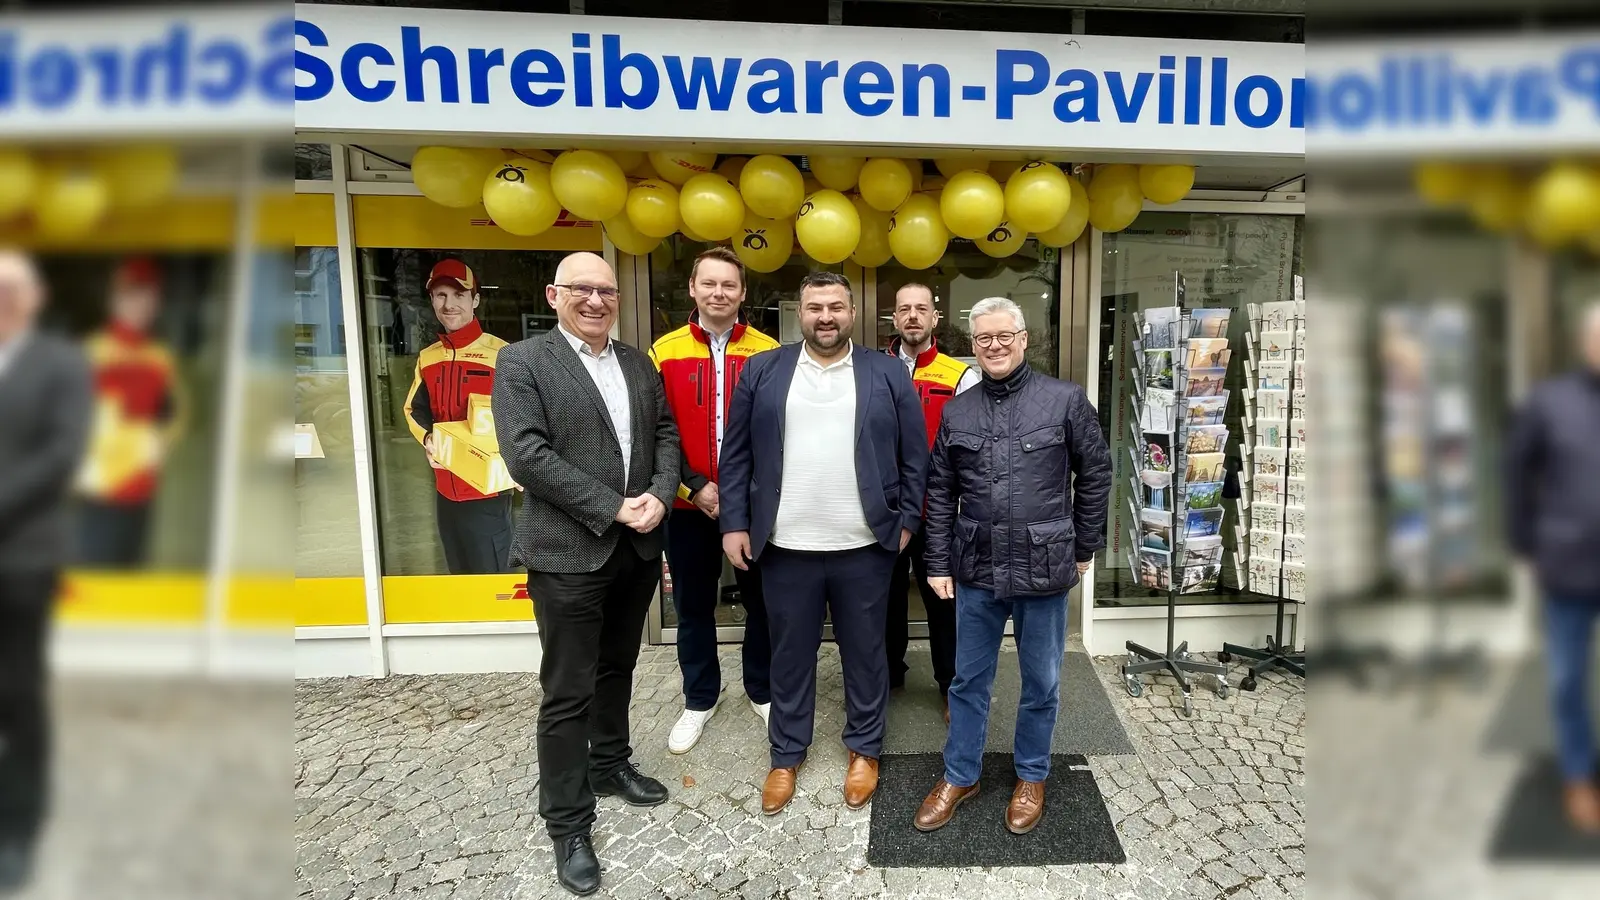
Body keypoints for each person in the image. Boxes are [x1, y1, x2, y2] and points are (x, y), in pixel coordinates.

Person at [491, 252, 680, 896]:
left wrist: (659, 491)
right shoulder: (523, 362)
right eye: (582, 290)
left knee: (617, 667)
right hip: (568, 550)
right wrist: (613, 506)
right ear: (554, 295)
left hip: (634, 549)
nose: (597, 300)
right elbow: (527, 455)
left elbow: (664, 432)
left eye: (605, 290)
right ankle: (568, 822)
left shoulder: (636, 362)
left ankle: (610, 764)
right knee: (567, 690)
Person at [719, 271, 928, 816]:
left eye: (836, 306)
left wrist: (907, 520)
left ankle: (864, 748)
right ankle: (786, 754)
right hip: (786, 545)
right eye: (815, 307)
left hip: (866, 544)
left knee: (867, 652)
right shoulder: (763, 370)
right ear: (801, 313)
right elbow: (736, 455)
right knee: (790, 655)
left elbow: (915, 456)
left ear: (853, 313)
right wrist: (734, 524)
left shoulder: (886, 372)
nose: (826, 317)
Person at [914, 297, 1110, 836]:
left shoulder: (1065, 400)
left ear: (1023, 339)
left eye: (1004, 336)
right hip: (975, 567)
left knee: (1042, 682)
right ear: (972, 346)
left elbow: (1095, 474)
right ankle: (961, 774)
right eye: (984, 339)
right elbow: (941, 488)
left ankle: (1031, 775)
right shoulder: (959, 410)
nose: (994, 346)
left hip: (1043, 568)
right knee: (966, 680)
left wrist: (1084, 547)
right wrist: (936, 562)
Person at [649, 247, 779, 753]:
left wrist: (748, 494)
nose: (719, 293)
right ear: (693, 289)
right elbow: (658, 430)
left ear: (743, 293)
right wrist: (694, 486)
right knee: (693, 606)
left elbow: (777, 431)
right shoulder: (663, 351)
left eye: (729, 285)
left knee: (762, 604)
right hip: (687, 505)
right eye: (710, 284)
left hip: (751, 507)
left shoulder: (769, 350)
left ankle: (762, 689)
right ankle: (699, 699)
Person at [0, 250, 92, 889]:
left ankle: (19, 833)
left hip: (21, 557)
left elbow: (64, 453)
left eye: (14, 287)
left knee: (19, 697)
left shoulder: (60, 364)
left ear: (35, 297)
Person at [1506, 301, 1600, 834]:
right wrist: (1524, 542)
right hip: (1568, 566)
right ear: (1586, 345)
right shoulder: (1550, 403)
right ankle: (1579, 777)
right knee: (1567, 680)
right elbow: (1517, 474)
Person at [883, 283, 978, 723]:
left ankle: (949, 686)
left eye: (922, 309)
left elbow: (972, 447)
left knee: (943, 603)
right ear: (895, 318)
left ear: (935, 318)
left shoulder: (959, 376)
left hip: (939, 511)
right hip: (884, 509)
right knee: (883, 599)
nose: (913, 317)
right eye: (905, 310)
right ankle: (888, 676)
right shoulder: (871, 369)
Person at [404, 258, 514, 575]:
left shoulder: (502, 354)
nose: (449, 304)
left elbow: (525, 417)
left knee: (491, 581)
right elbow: (414, 409)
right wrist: (428, 440)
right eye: (440, 295)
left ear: (475, 300)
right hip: (444, 492)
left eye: (458, 295)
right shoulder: (428, 358)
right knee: (459, 576)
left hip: (487, 493)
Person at [76, 257, 185, 568]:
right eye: (132, 294)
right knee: (94, 578)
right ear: (114, 299)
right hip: (99, 492)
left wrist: (156, 445)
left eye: (149, 295)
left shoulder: (160, 358)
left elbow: (174, 416)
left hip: (141, 490)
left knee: (130, 572)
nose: (141, 304)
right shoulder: (92, 352)